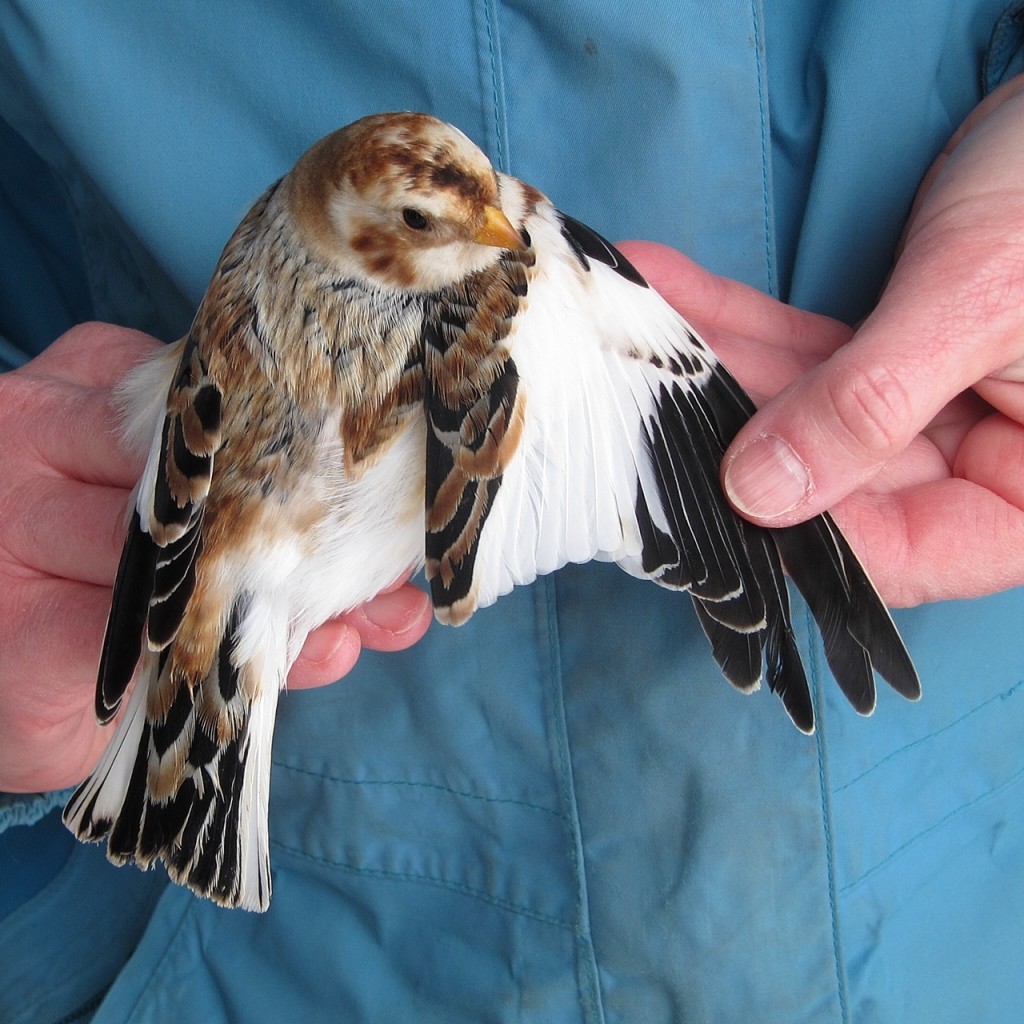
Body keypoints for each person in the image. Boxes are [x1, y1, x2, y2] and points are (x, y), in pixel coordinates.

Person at [2, 3, 1022, 1021]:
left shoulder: (317, 240)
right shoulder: (500, 286)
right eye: (432, 221)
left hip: (938, 889)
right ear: (353, 228)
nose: (494, 228)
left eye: (484, 200)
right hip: (263, 957)